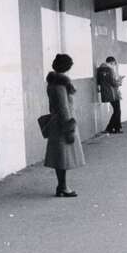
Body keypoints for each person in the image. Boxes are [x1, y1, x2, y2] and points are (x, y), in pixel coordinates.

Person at [44, 53, 85, 197]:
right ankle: (63, 187)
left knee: (60, 157)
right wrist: (69, 127)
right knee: (63, 157)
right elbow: (64, 107)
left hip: (56, 122)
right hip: (63, 124)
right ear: (66, 67)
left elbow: (53, 106)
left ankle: (61, 186)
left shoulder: (52, 83)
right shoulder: (61, 85)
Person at [96, 56, 124, 134]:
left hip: (106, 93)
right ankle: (110, 128)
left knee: (116, 110)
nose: (114, 65)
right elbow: (113, 83)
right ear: (112, 62)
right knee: (117, 111)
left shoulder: (100, 70)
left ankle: (116, 128)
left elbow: (99, 82)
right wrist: (120, 81)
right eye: (114, 63)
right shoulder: (110, 70)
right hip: (113, 93)